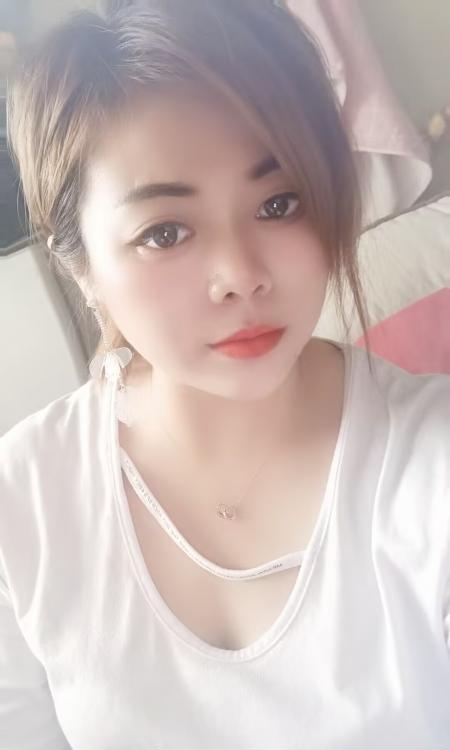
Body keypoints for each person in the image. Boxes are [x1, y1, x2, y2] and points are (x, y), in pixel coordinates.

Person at [1, 1, 449, 748]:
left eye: (280, 203)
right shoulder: (22, 504)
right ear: (81, 266)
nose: (240, 274)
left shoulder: (430, 463)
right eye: (165, 232)